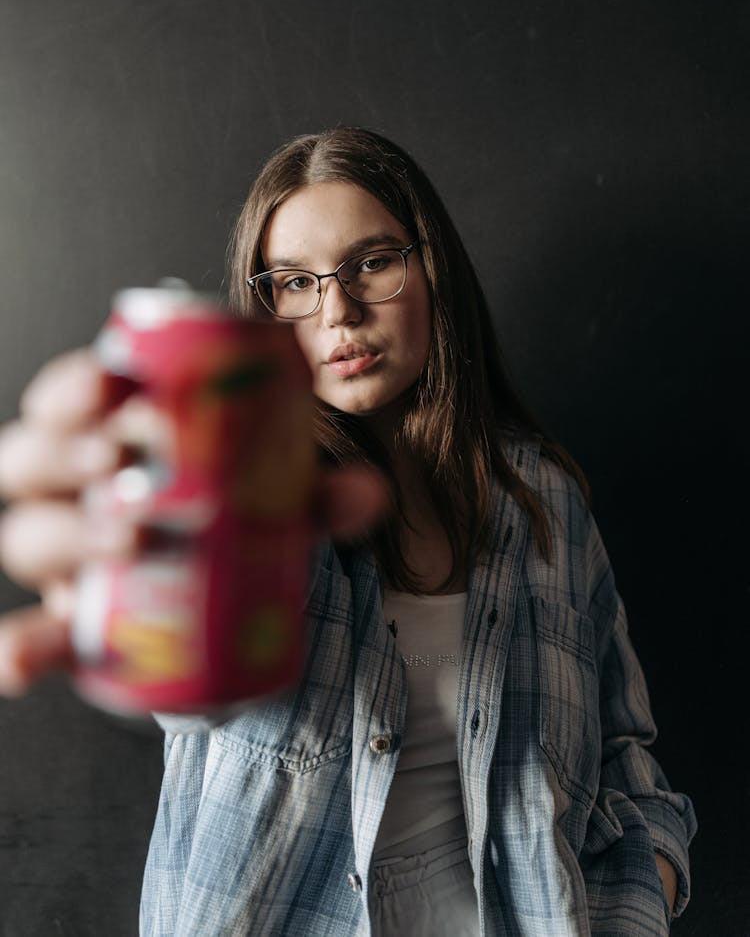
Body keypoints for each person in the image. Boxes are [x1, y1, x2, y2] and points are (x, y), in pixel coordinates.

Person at [0, 126, 695, 936]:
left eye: (371, 262)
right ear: (264, 310)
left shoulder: (543, 498)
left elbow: (626, 755)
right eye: (295, 281)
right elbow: (196, 683)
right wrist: (136, 581)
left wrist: (644, 890)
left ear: (431, 267)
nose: (337, 308)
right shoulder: (261, 507)